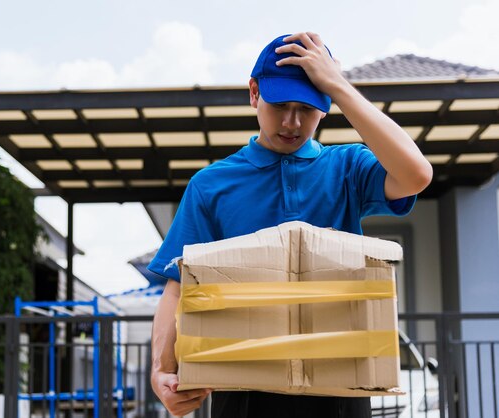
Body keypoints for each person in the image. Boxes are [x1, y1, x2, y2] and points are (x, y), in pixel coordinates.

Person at [148, 32, 432, 418]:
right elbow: (178, 287)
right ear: (254, 93)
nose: (292, 122)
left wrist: (337, 85)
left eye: (309, 107)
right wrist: (162, 370)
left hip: (340, 387)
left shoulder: (346, 167)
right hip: (243, 389)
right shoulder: (211, 185)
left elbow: (415, 175)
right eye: (280, 104)